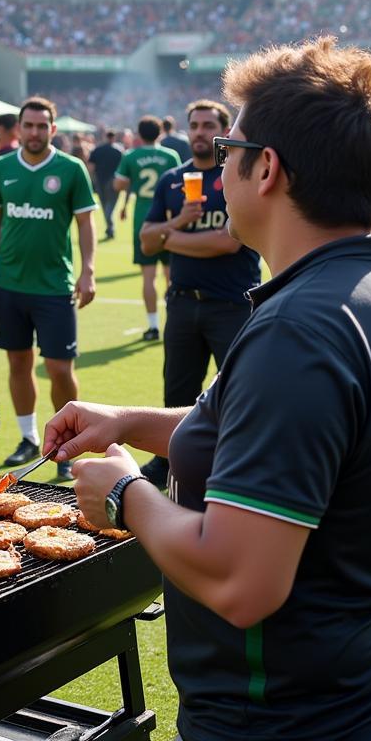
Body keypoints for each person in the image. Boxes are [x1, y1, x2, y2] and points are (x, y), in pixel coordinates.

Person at [47, 37, 371, 741]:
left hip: (281, 717)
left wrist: (123, 494)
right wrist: (128, 420)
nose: (218, 164)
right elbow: (280, 443)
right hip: (351, 689)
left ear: (265, 168)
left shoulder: (301, 331)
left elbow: (241, 582)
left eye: (230, 145)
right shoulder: (364, 290)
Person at [136, 100, 260, 487]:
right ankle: (166, 458)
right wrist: (179, 224)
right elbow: (146, 241)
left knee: (241, 392)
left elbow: (227, 243)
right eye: (195, 125)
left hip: (231, 304)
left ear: (223, 132)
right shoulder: (173, 178)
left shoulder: (236, 175)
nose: (200, 132)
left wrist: (170, 237)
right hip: (184, 301)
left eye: (209, 125)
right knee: (177, 390)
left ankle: (239, 463)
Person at [0, 96, 96, 477]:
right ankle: (27, 436)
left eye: (43, 126)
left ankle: (67, 445)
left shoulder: (72, 169)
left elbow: (86, 224)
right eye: (29, 125)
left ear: (52, 130)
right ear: (18, 129)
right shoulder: (2, 167)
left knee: (60, 368)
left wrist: (88, 269)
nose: (35, 132)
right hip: (9, 284)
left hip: (54, 286)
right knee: (18, 362)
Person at [113, 116, 181, 341]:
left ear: (139, 135)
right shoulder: (170, 156)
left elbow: (118, 185)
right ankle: (175, 322)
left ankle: (153, 326)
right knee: (171, 276)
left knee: (148, 276)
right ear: (160, 132)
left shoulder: (131, 156)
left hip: (144, 220)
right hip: (169, 219)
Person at [88, 129, 125, 239]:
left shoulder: (98, 149)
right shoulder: (119, 151)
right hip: (113, 181)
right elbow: (123, 168)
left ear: (105, 137)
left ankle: (110, 228)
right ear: (114, 138)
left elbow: (91, 167)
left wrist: (92, 180)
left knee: (105, 205)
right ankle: (110, 228)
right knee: (110, 205)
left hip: (100, 181)